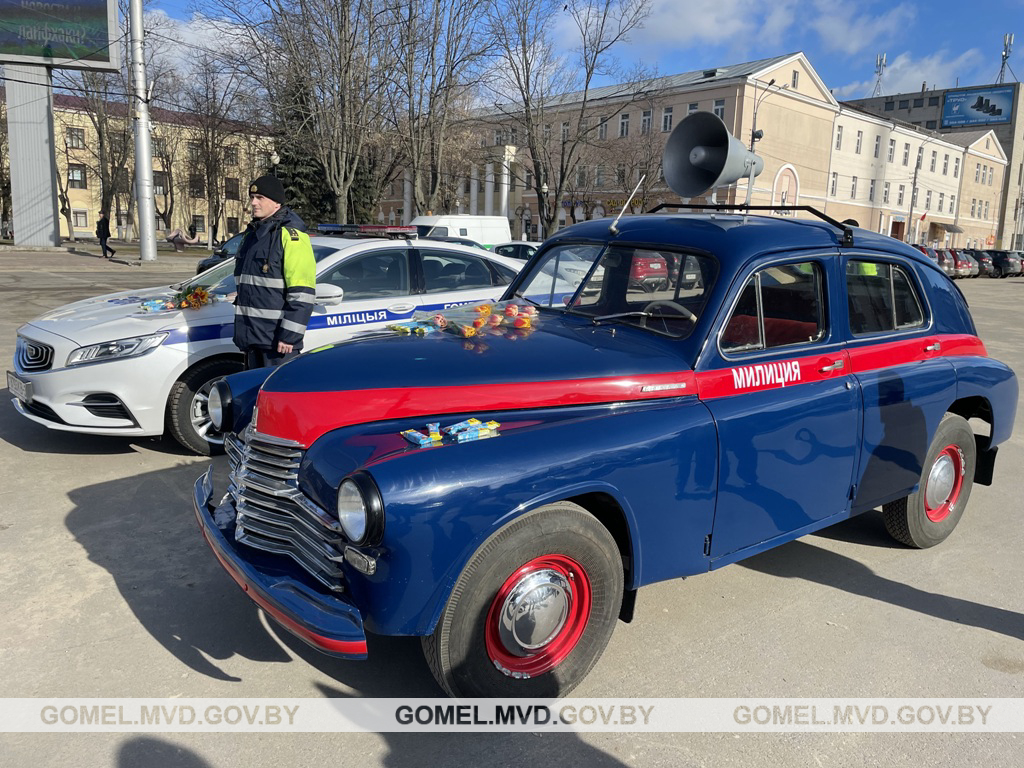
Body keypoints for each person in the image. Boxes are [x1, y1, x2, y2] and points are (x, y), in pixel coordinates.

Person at [233, 174, 315, 369]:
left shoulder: (292, 236)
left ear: (276, 202)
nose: (253, 203)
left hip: (278, 344)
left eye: (260, 198)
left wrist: (289, 337)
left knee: (278, 397)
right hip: (253, 339)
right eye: (252, 198)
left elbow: (301, 294)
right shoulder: (252, 235)